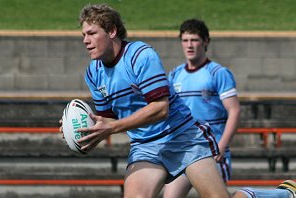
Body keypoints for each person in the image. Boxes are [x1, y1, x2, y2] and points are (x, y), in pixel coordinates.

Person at [69, 4, 231, 198]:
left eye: (91, 33)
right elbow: (108, 122)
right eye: (83, 35)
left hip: (182, 137)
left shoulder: (139, 55)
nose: (85, 41)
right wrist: (79, 131)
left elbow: (161, 108)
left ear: (112, 31)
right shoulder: (93, 73)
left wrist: (112, 128)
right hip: (145, 146)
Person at [164, 18, 296, 198]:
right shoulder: (175, 74)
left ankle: (276, 195)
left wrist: (221, 146)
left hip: (211, 151)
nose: (189, 45)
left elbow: (234, 111)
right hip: (184, 151)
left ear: (205, 42)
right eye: (185, 40)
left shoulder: (218, 73)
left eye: (194, 40)